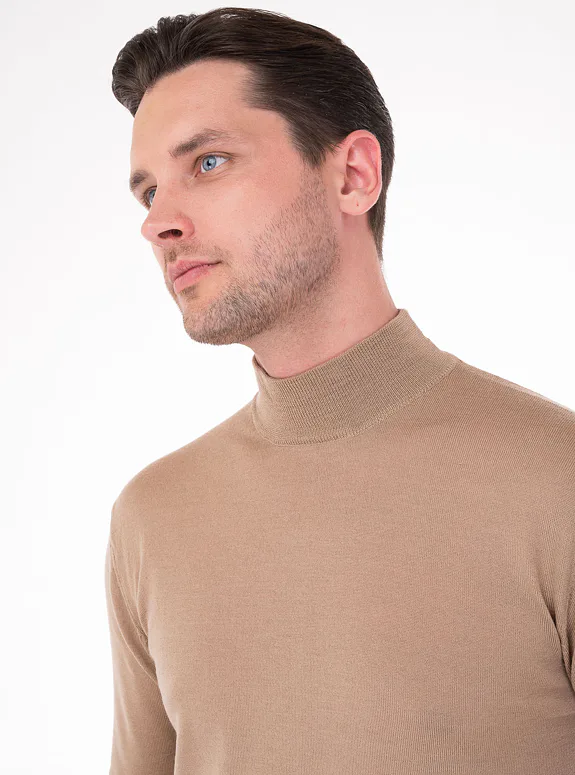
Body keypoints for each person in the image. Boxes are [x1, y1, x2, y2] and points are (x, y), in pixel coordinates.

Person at [104, 7, 575, 774]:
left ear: (353, 175)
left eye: (209, 162)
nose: (158, 221)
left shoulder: (557, 479)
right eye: (148, 190)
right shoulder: (150, 518)